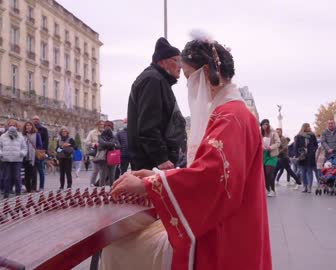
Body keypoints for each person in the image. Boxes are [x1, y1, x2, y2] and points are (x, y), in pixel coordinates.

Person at [106, 37, 272, 270]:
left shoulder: (229, 117)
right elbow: (211, 170)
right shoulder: (233, 112)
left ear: (205, 74)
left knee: (119, 249)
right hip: (232, 221)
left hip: (223, 235)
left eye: (189, 78)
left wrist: (150, 184)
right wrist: (156, 174)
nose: (188, 87)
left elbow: (213, 176)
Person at [127, 37, 186, 171]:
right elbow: (148, 125)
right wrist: (161, 158)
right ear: (162, 62)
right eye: (177, 60)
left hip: (153, 161)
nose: (180, 66)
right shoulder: (153, 80)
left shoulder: (158, 80)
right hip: (152, 164)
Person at [0, 119, 27, 199]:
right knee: (7, 177)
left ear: (17, 126)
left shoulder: (20, 136)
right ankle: (6, 193)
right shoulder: (3, 136)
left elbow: (24, 148)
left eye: (14, 125)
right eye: (10, 125)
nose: (12, 127)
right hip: (6, 160)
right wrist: (0, 154)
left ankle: (18, 192)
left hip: (17, 160)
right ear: (8, 126)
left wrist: (22, 153)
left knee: (17, 177)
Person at [294, 123, 318, 193]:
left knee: (309, 172)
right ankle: (304, 186)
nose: (309, 128)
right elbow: (296, 146)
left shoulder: (312, 135)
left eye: (309, 126)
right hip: (302, 156)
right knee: (303, 172)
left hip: (310, 156)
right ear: (304, 127)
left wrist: (313, 150)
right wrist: (297, 155)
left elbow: (316, 145)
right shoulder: (299, 136)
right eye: (308, 127)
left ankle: (309, 187)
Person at [260, 119, 281, 197]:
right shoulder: (260, 133)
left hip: (272, 155)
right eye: (263, 125)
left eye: (266, 124)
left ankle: (272, 190)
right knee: (265, 174)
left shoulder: (273, 133)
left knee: (269, 172)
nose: (265, 126)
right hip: (263, 155)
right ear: (261, 125)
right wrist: (261, 146)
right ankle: (268, 189)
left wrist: (270, 147)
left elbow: (278, 143)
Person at [97, 121, 120, 186]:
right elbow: (102, 144)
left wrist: (111, 144)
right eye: (106, 126)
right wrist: (113, 144)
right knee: (102, 175)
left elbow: (118, 145)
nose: (108, 128)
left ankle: (112, 189)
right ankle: (101, 190)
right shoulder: (101, 136)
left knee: (112, 176)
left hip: (112, 157)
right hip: (103, 158)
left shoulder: (114, 136)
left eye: (109, 126)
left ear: (111, 128)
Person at [22, 121, 42, 193]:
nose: (28, 126)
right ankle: (28, 188)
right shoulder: (23, 135)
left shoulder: (37, 135)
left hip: (34, 156)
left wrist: (35, 151)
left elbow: (39, 145)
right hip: (25, 156)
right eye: (27, 125)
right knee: (27, 173)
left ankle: (33, 188)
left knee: (34, 173)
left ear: (32, 126)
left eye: (29, 125)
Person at [85, 120, 104, 186]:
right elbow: (87, 142)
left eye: (102, 124)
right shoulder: (92, 133)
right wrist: (94, 144)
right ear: (97, 125)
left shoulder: (104, 132)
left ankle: (101, 183)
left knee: (102, 170)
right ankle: (92, 183)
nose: (102, 126)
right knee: (96, 170)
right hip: (94, 154)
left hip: (103, 154)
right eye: (100, 124)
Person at [32, 116, 48, 191]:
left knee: (40, 170)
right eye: (34, 119)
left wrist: (43, 150)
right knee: (32, 170)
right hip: (31, 152)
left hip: (40, 152)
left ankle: (41, 186)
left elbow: (46, 141)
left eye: (37, 119)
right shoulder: (30, 129)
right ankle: (33, 187)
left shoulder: (43, 129)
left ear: (39, 120)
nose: (35, 120)